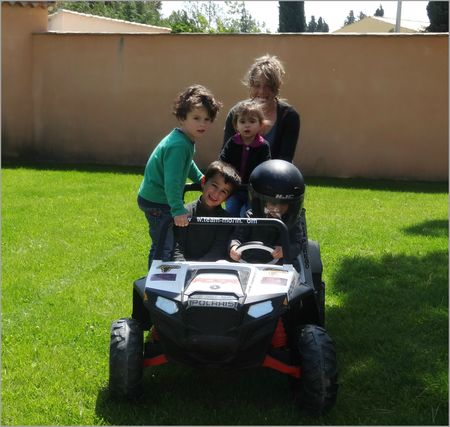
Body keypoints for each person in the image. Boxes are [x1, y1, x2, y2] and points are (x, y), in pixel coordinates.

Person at [137, 84, 222, 270]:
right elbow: (173, 182)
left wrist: (201, 178)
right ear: (182, 118)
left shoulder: (185, 140)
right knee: (163, 246)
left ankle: (164, 275)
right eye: (196, 118)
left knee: (167, 242)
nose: (202, 124)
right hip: (158, 203)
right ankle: (156, 283)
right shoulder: (179, 145)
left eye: (207, 119)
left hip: (158, 199)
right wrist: (177, 209)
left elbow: (188, 164)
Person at [228, 159, 305, 271]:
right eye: (273, 203)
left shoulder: (293, 221)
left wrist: (285, 250)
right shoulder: (250, 217)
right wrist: (233, 247)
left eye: (283, 204)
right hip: (249, 264)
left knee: (296, 272)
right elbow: (237, 237)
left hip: (281, 265)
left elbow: (298, 244)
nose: (277, 208)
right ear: (259, 201)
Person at [223, 54, 300, 163]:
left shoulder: (289, 116)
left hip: (274, 176)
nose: (262, 91)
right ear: (250, 86)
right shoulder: (235, 113)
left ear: (277, 87)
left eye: (268, 86)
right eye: (257, 85)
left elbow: (285, 159)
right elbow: (225, 158)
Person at [172, 160, 241, 262]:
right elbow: (177, 247)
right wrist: (183, 267)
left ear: (227, 198)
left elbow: (217, 251)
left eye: (223, 191)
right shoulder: (185, 213)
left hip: (209, 269)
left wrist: (197, 270)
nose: (216, 194)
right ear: (203, 182)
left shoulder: (227, 220)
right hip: (183, 267)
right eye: (214, 186)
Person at [219, 100, 271, 217]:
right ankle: (231, 234)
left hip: (253, 192)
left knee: (247, 214)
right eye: (242, 121)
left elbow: (265, 168)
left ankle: (243, 235)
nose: (247, 125)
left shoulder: (263, 146)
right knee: (231, 211)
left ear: (260, 124)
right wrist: (225, 175)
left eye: (252, 121)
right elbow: (222, 161)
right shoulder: (232, 142)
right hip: (234, 189)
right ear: (236, 125)